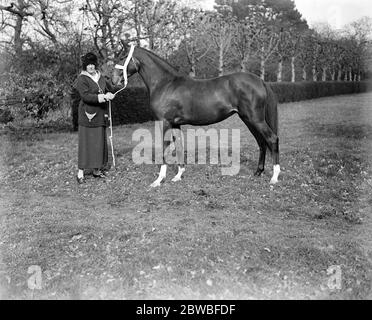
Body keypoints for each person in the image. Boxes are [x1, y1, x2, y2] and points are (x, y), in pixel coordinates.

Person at [74, 52, 116, 184]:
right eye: (88, 65)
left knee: (99, 143)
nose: (91, 67)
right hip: (88, 116)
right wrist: (102, 97)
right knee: (86, 144)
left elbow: (111, 88)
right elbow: (85, 96)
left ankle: (96, 170)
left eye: (92, 64)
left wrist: (111, 93)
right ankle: (80, 172)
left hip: (101, 115)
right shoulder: (82, 79)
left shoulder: (101, 77)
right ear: (85, 66)